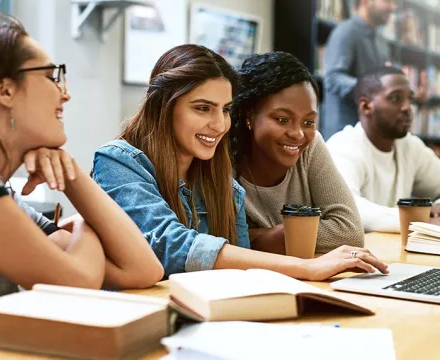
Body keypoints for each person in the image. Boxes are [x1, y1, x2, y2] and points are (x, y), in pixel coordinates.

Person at [93, 44, 388, 280]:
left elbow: (242, 270)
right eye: (202, 108)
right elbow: (171, 247)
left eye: (224, 110)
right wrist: (309, 268)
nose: (219, 124)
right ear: (163, 106)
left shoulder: (220, 179)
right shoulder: (118, 162)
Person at [0, 14, 164, 298]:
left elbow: (143, 269)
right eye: (51, 77)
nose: (65, 95)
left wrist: (72, 175)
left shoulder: (3, 199)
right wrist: (85, 223)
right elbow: (77, 281)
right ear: (5, 90)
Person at [229, 51, 364, 255]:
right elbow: (218, 240)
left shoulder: (311, 146)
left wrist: (266, 236)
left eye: (308, 122)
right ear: (250, 115)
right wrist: (264, 239)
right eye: (283, 119)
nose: (298, 134)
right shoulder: (223, 155)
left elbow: (350, 232)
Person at [326, 66, 440, 233]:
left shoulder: (409, 146)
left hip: (393, 251)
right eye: (395, 98)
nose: (408, 108)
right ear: (365, 106)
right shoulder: (343, 146)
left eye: (410, 99)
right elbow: (348, 209)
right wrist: (424, 222)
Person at [323, 0, 397, 138]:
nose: (393, 7)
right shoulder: (345, 32)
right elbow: (333, 79)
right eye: (387, 1)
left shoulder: (382, 42)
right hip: (344, 136)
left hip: (372, 135)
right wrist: (371, 87)